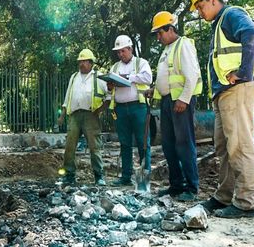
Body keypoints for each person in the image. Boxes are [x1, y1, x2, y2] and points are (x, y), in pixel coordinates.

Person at [191, 0, 254, 218]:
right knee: (223, 147)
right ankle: (224, 196)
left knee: (240, 145)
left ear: (213, 0)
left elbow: (252, 33)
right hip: (224, 93)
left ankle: (245, 203)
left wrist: (243, 71)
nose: (200, 13)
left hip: (238, 89)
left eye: (201, 7)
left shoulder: (232, 14)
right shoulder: (219, 25)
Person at [148, 11, 202, 201]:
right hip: (167, 101)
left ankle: (191, 187)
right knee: (169, 144)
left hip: (179, 102)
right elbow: (167, 78)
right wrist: (154, 91)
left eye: (159, 33)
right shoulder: (166, 50)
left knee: (184, 143)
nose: (158, 37)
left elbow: (192, 74)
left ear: (170, 29)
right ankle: (176, 185)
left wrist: (184, 99)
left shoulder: (183, 45)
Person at [58, 48, 110, 186]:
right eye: (80, 61)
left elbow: (109, 96)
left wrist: (99, 110)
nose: (81, 64)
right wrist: (63, 115)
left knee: (94, 146)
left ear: (91, 63)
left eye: (84, 61)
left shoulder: (99, 77)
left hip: (90, 115)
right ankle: (69, 175)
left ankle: (99, 176)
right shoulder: (74, 77)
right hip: (74, 115)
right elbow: (68, 96)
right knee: (70, 146)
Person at [107, 35, 152, 186]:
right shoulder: (114, 67)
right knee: (125, 143)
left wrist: (128, 77)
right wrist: (111, 85)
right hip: (120, 109)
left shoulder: (141, 63)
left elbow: (147, 78)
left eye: (123, 51)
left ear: (130, 49)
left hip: (138, 107)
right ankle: (126, 177)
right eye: (118, 52)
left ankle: (143, 181)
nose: (120, 54)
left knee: (143, 143)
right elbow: (109, 88)